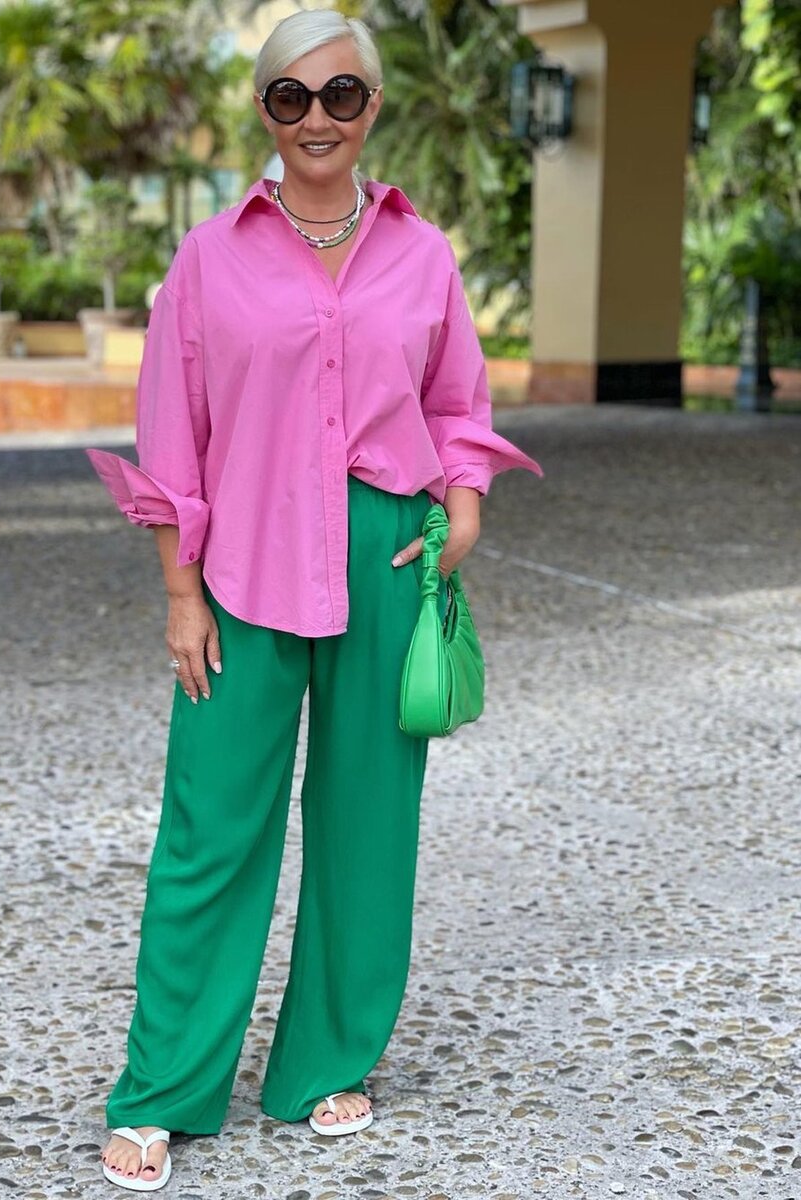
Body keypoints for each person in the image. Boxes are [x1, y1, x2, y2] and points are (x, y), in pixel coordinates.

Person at [85, 8, 543, 1192]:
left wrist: (464, 505)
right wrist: (179, 590)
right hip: (240, 561)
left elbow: (456, 402)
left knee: (366, 822)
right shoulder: (209, 257)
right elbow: (171, 430)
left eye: (340, 94)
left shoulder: (423, 254)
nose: (317, 117)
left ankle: (324, 1062)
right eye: (291, 97)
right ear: (264, 111)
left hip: (384, 553)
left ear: (371, 106)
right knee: (210, 826)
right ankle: (163, 1089)